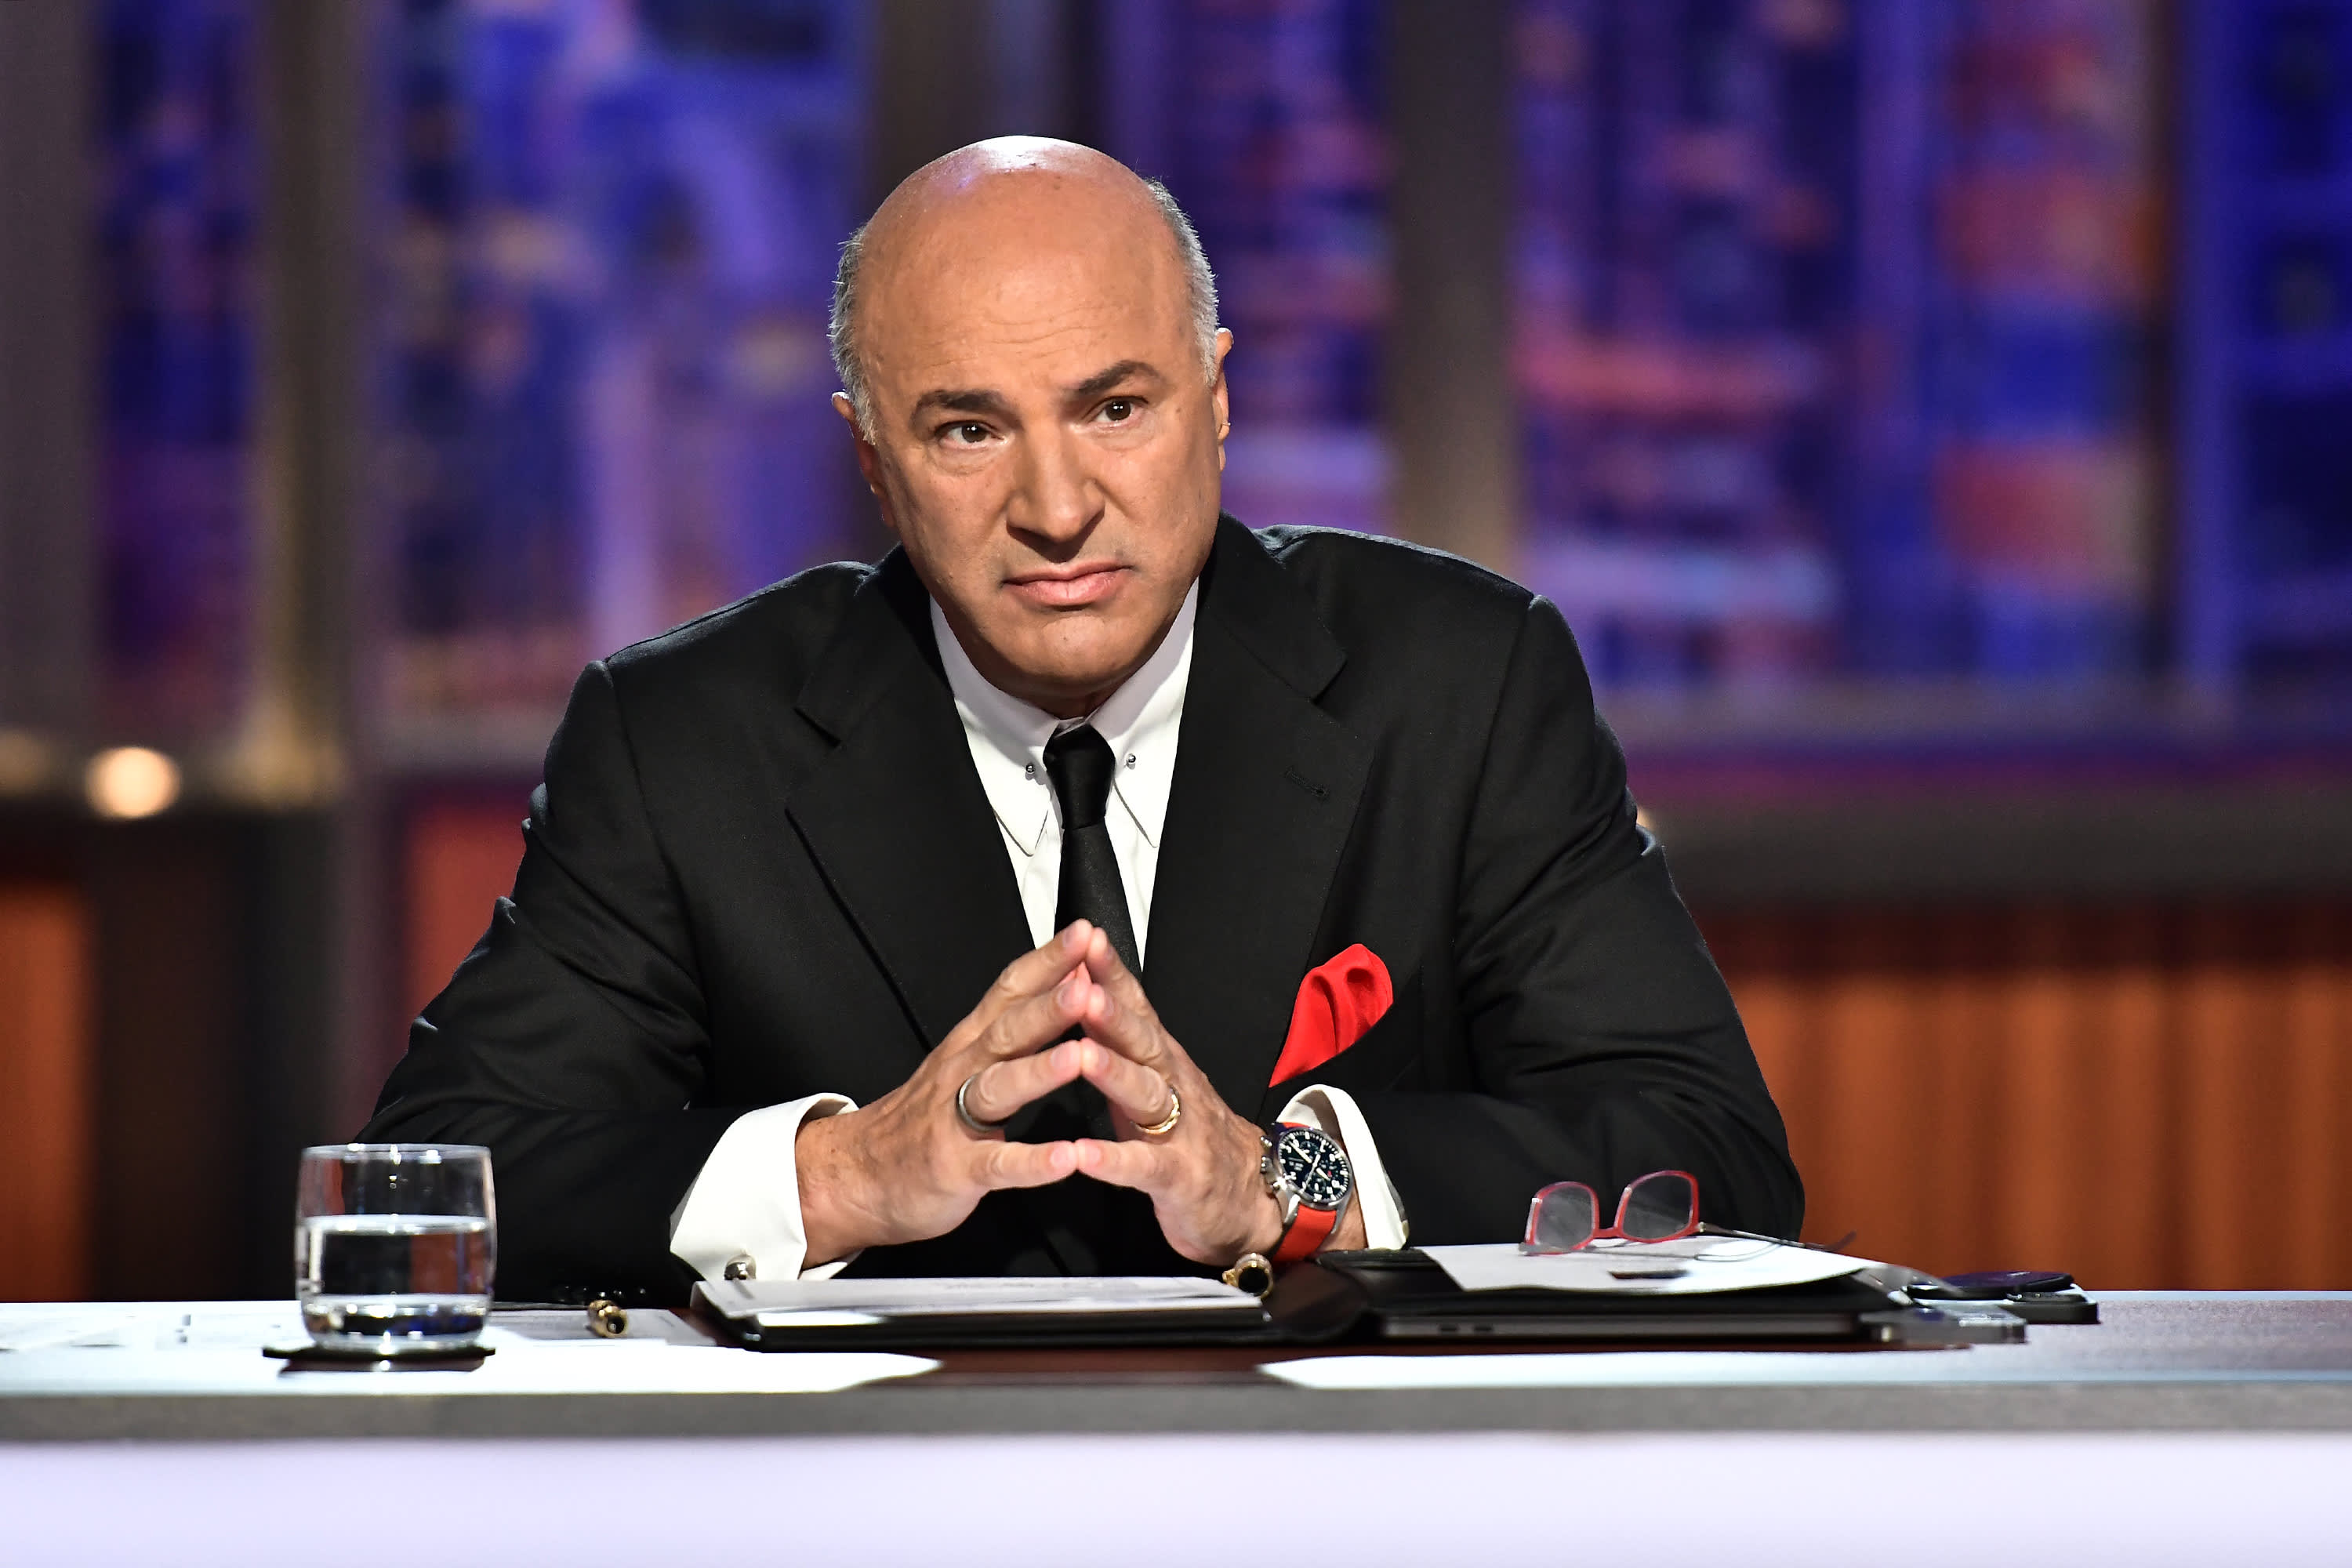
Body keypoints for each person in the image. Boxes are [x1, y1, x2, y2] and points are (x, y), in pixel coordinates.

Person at [363, 138, 1802, 1300]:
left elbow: (1712, 1159)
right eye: (969, 430)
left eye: (1115, 409)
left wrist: (1282, 1184)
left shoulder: (1462, 686)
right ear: (873, 462)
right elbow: (430, 1184)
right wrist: (844, 1177)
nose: (1055, 510)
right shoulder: (684, 740)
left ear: (1217, 400)